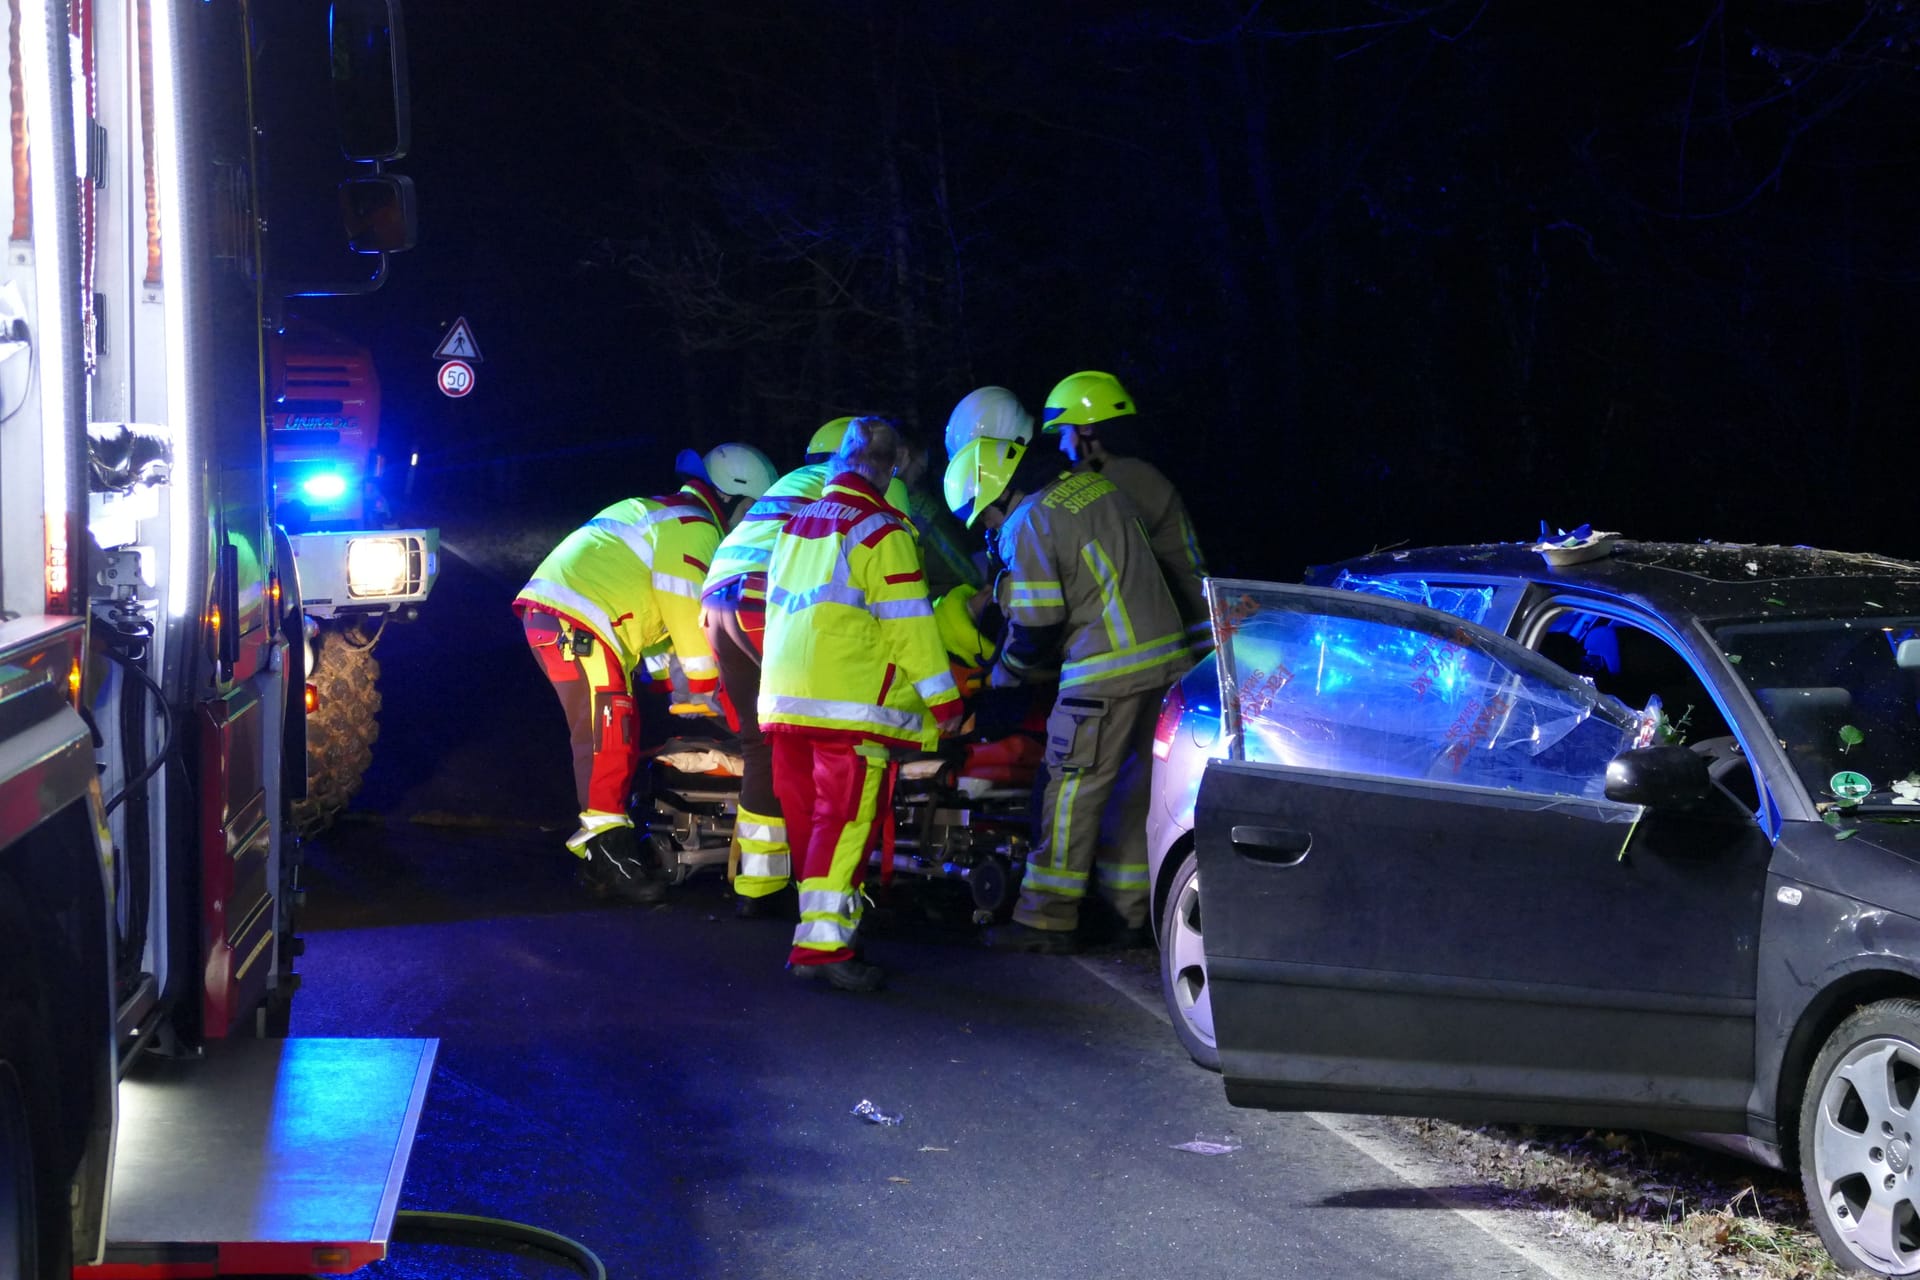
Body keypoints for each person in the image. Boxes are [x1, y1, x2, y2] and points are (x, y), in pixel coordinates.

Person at [945, 435, 1189, 952]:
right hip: (1168, 665)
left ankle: (1045, 919)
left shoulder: (1028, 521)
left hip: (1105, 672)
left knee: (1069, 791)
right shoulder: (1094, 487)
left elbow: (1036, 622)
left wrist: (1004, 677)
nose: (987, 528)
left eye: (981, 516)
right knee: (1134, 793)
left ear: (994, 494)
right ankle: (1130, 914)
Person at [517, 443, 778, 903]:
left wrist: (673, 682)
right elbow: (682, 603)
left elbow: (658, 624)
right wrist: (708, 686)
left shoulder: (673, 515)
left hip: (573, 619)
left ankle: (603, 859)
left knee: (614, 728)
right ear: (735, 498)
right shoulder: (694, 526)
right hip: (575, 622)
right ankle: (607, 853)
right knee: (608, 732)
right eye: (753, 510)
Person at [760, 417, 964, 991]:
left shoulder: (796, 523)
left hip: (786, 700)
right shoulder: (882, 529)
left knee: (810, 824)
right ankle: (822, 948)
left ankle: (819, 931)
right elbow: (910, 627)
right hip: (847, 706)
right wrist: (944, 703)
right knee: (845, 822)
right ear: (891, 467)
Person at [700, 419, 853, 919]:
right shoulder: (855, 483)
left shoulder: (791, 484)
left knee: (760, 743)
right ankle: (821, 882)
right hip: (765, 597)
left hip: (721, 594)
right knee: (815, 736)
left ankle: (759, 887)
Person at [1042, 371, 1211, 657]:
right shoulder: (1135, 470)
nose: (1061, 445)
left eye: (1063, 432)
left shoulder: (1123, 479)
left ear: (1086, 429)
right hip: (1190, 625)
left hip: (1191, 634)